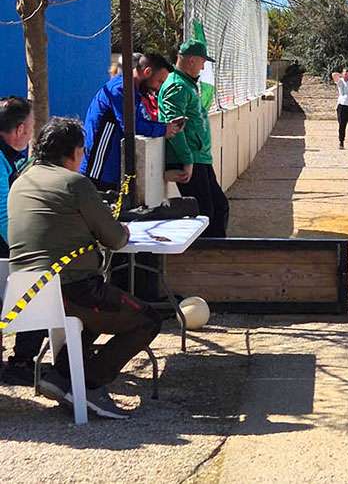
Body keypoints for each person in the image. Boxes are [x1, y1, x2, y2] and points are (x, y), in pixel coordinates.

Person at [8, 117, 162, 419]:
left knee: (92, 315)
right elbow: (116, 238)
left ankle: (60, 375)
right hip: (71, 290)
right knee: (147, 319)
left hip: (25, 294)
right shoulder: (75, 183)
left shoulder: (21, 180)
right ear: (75, 152)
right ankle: (87, 384)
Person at [81, 52, 183, 192]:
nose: (159, 87)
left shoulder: (133, 91)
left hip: (111, 165)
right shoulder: (121, 89)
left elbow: (140, 120)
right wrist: (163, 130)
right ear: (147, 71)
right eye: (159, 81)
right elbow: (131, 125)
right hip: (100, 166)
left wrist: (164, 127)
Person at [159, 39, 229, 237]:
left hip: (199, 156)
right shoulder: (178, 86)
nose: (203, 66)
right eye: (202, 62)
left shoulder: (186, 85)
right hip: (190, 158)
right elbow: (175, 126)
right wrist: (187, 160)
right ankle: (206, 255)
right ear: (191, 60)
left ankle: (217, 250)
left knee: (218, 206)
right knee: (205, 211)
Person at [0, 96, 44, 386]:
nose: (31, 133)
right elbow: (3, 217)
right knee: (42, 286)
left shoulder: (10, 158)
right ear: (19, 131)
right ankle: (21, 362)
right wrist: (28, 251)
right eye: (30, 127)